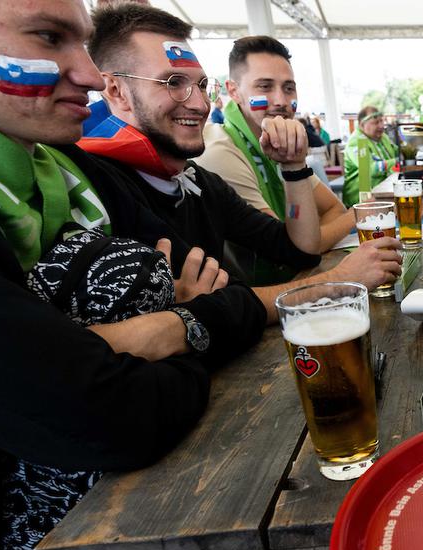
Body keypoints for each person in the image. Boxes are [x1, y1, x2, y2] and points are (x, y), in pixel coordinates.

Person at [0, 1, 263, 550]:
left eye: (200, 86)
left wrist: (157, 330)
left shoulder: (65, 175)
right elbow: (110, 414)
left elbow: (281, 253)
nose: (84, 71)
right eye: (48, 38)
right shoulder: (100, 171)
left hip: (103, 535)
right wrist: (182, 327)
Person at [85, 4, 400, 322]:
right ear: (116, 90)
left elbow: (297, 249)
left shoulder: (199, 180)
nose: (199, 104)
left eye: (202, 85)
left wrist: (293, 167)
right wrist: (337, 281)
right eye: (173, 83)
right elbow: (220, 308)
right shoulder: (97, 185)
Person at [196, 36, 357, 279]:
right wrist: (356, 214)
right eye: (265, 86)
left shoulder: (277, 142)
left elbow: (334, 208)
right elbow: (293, 249)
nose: (281, 101)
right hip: (257, 305)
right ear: (233, 91)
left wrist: (316, 236)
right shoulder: (221, 150)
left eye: (288, 88)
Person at [343, 105, 398, 207]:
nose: (381, 126)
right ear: (361, 125)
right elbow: (370, 169)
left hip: (384, 192)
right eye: (375, 123)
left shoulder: (383, 137)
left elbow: (397, 152)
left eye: (382, 121)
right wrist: (397, 162)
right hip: (360, 201)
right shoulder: (357, 142)